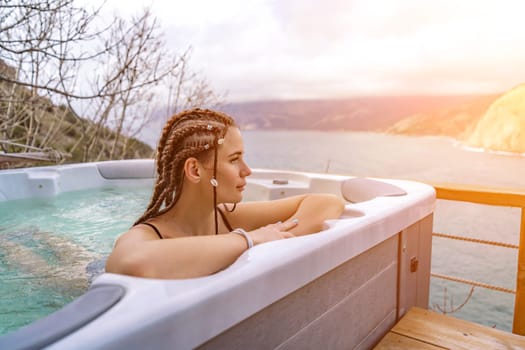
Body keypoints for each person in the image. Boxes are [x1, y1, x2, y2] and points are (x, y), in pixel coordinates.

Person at [105, 108, 345, 279]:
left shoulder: (228, 218)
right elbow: (130, 263)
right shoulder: (148, 235)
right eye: (234, 159)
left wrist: (270, 247)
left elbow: (326, 203)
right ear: (194, 170)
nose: (247, 170)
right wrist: (248, 239)